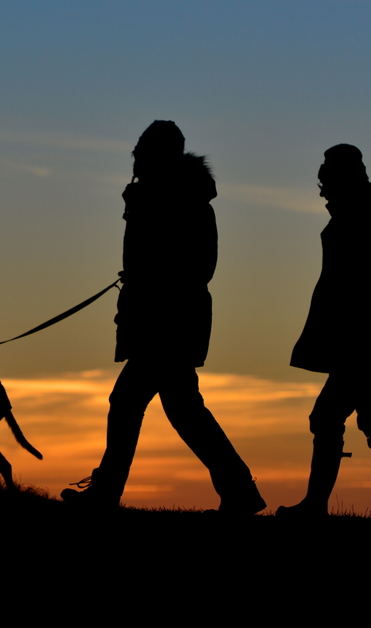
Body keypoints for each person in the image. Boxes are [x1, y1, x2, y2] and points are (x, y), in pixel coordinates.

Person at [61, 120, 265, 514]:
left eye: (142, 151)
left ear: (158, 157)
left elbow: (197, 268)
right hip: (167, 320)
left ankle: (105, 494)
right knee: (182, 411)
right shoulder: (160, 199)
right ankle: (240, 491)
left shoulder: (178, 202)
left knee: (130, 402)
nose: (135, 158)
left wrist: (148, 279)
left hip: (167, 323)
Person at [277, 144, 371, 525]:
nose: (322, 190)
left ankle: (338, 507)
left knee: (347, 419)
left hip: (366, 342)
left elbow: (365, 287)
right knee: (369, 422)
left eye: (325, 181)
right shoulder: (368, 212)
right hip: (365, 341)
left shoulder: (367, 215)